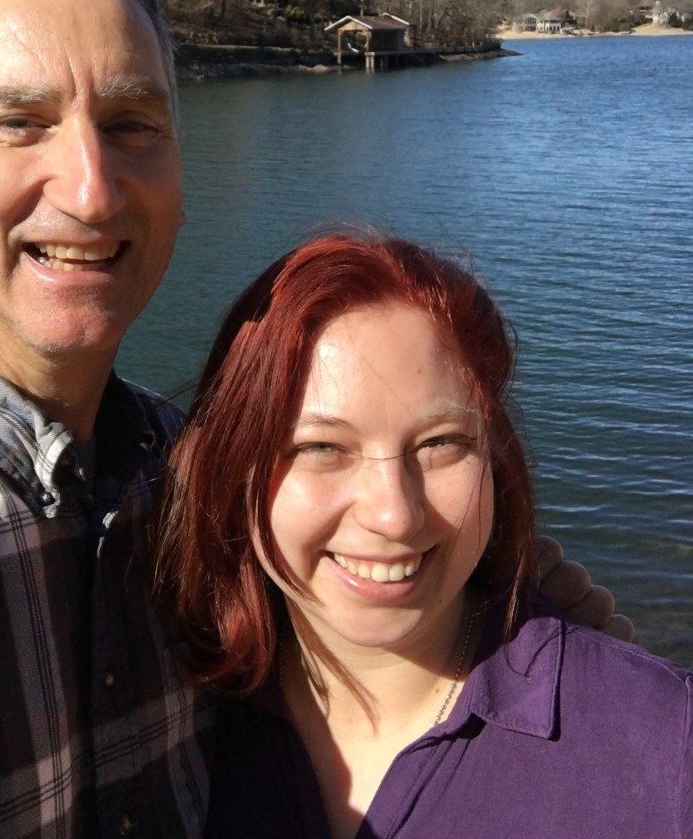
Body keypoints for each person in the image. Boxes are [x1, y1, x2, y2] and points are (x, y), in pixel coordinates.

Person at [0, 0, 627, 837]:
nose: (92, 190)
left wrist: (519, 616)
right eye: (19, 123)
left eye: (132, 126)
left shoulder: (206, 481)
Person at [157, 231, 692, 838]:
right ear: (232, 470)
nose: (395, 515)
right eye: (321, 447)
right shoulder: (167, 712)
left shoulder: (663, 751)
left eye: (441, 443)